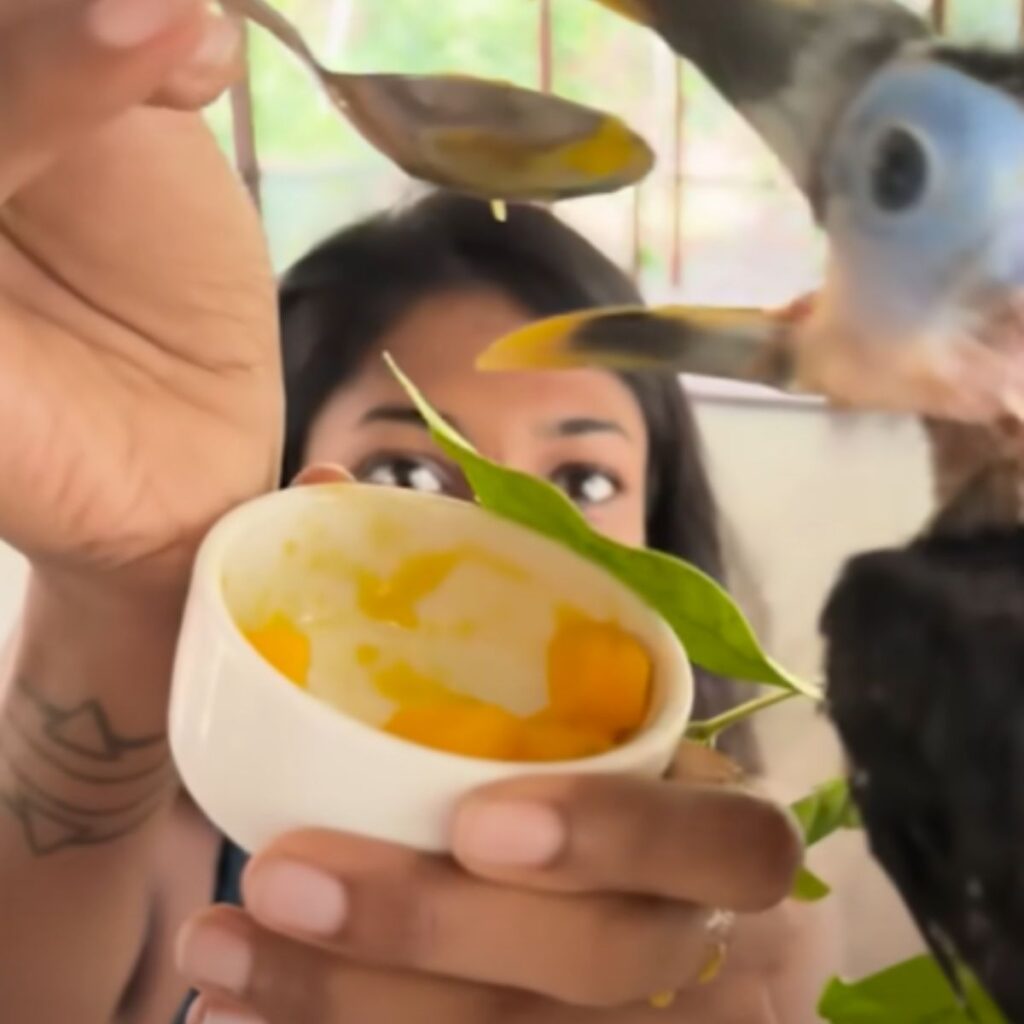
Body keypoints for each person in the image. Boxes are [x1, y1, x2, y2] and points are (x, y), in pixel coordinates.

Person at [0, 5, 836, 1023]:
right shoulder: (179, 847)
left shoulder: (746, 928)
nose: (505, 543)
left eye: (582, 484)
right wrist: (131, 586)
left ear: (662, 525)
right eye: (409, 476)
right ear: (294, 486)